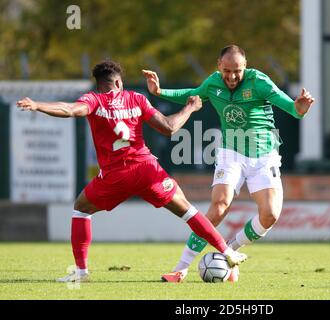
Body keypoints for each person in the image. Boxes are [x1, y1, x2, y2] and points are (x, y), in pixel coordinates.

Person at [16, 60, 247, 283]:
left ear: (100, 84)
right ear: (118, 83)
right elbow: (169, 127)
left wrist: (38, 105)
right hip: (147, 170)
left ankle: (81, 272)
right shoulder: (136, 98)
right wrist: (189, 107)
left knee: (81, 209)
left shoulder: (93, 100)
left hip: (115, 176)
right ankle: (228, 251)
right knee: (188, 211)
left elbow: (70, 110)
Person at [143, 45, 315, 283]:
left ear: (245, 67)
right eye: (227, 70)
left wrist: (300, 108)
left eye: (237, 71)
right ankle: (180, 268)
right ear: (218, 66)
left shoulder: (259, 82)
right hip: (231, 151)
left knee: (270, 215)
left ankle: (229, 251)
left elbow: (291, 108)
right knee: (219, 207)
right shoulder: (213, 83)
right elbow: (192, 94)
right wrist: (159, 91)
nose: (232, 76)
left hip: (264, 156)